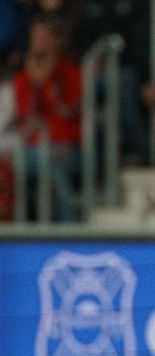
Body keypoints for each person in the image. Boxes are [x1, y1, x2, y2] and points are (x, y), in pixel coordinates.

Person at [78, 0, 150, 162]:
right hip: (95, 66)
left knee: (123, 83)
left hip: (127, 66)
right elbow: (85, 36)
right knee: (80, 86)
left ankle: (133, 147)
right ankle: (91, 154)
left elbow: (141, 42)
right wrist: (94, 59)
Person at [12, 16, 82, 221]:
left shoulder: (73, 72)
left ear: (55, 41)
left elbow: (69, 111)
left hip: (68, 147)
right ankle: (17, 229)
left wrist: (50, 81)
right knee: (10, 167)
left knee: (52, 166)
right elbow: (29, 116)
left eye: (45, 37)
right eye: (36, 37)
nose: (40, 42)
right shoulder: (23, 77)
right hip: (33, 148)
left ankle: (68, 231)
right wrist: (36, 83)